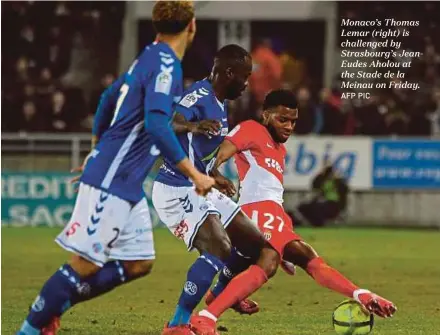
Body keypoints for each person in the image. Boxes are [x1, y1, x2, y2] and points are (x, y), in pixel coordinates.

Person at [17, 2, 216, 334]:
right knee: (85, 263)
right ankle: (30, 327)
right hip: (113, 177)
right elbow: (156, 124)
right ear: (192, 25)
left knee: (138, 263)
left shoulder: (149, 56)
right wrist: (194, 173)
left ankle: (54, 306)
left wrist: (99, 148)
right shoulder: (166, 63)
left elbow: (109, 97)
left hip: (125, 180)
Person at [190, 89, 397, 335]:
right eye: (283, 119)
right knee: (270, 261)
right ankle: (206, 317)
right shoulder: (251, 129)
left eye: (293, 121)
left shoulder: (280, 149)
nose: (289, 126)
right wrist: (216, 175)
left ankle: (361, 294)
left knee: (307, 258)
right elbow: (217, 156)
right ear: (266, 115)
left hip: (274, 212)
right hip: (256, 209)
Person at [152, 44, 266, 335]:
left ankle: (219, 296)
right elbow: (168, 122)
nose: (246, 83)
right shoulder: (199, 96)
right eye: (245, 76)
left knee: (254, 244)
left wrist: (213, 173)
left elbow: (196, 151)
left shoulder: (220, 100)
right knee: (219, 246)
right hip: (176, 189)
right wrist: (194, 125)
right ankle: (177, 324)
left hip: (201, 185)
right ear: (229, 73)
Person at [293, 161, 349, 227]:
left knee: (318, 208)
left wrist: (338, 178)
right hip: (322, 202)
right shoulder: (323, 181)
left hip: (334, 204)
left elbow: (345, 189)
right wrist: (321, 173)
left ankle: (318, 223)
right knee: (304, 207)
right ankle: (309, 223)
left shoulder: (338, 182)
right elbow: (314, 184)